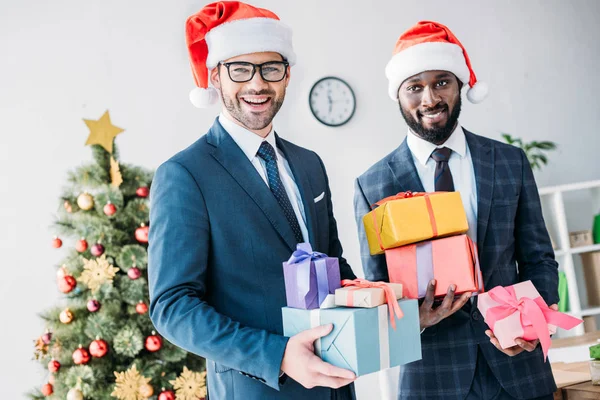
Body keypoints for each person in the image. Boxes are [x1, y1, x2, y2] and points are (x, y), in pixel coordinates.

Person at [148, 2, 357, 399]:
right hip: (257, 388)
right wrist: (277, 355)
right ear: (215, 76)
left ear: (288, 74)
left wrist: (387, 307)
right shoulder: (185, 174)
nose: (257, 84)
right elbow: (173, 305)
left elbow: (332, 263)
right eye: (240, 69)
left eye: (270, 69)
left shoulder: (309, 164)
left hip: (336, 383)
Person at [354, 21, 559, 400]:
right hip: (433, 378)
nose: (430, 98)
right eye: (414, 87)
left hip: (518, 369)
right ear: (398, 96)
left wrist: (530, 323)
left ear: (460, 85)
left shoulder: (509, 161)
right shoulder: (372, 185)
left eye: (441, 82)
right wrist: (413, 320)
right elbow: (378, 291)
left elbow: (539, 258)